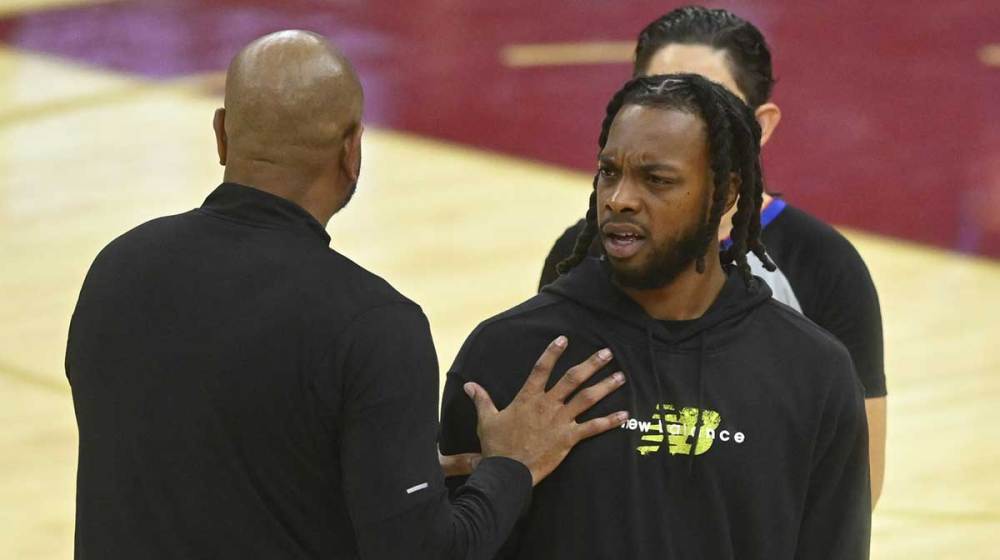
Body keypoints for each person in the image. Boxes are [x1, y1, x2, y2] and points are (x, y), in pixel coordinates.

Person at [65, 30, 629, 560]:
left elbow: (208, 465)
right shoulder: (374, 325)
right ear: (352, 150)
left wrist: (369, 473)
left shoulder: (116, 267)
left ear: (220, 133)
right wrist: (511, 467)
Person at [440, 74, 871, 558]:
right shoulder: (511, 354)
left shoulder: (812, 373)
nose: (619, 198)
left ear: (726, 194)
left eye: (656, 179)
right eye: (609, 171)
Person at [537, 6, 887, 505]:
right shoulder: (583, 251)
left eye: (706, 102)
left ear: (760, 126)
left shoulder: (825, 266)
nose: (673, 122)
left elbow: (856, 485)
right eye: (658, 96)